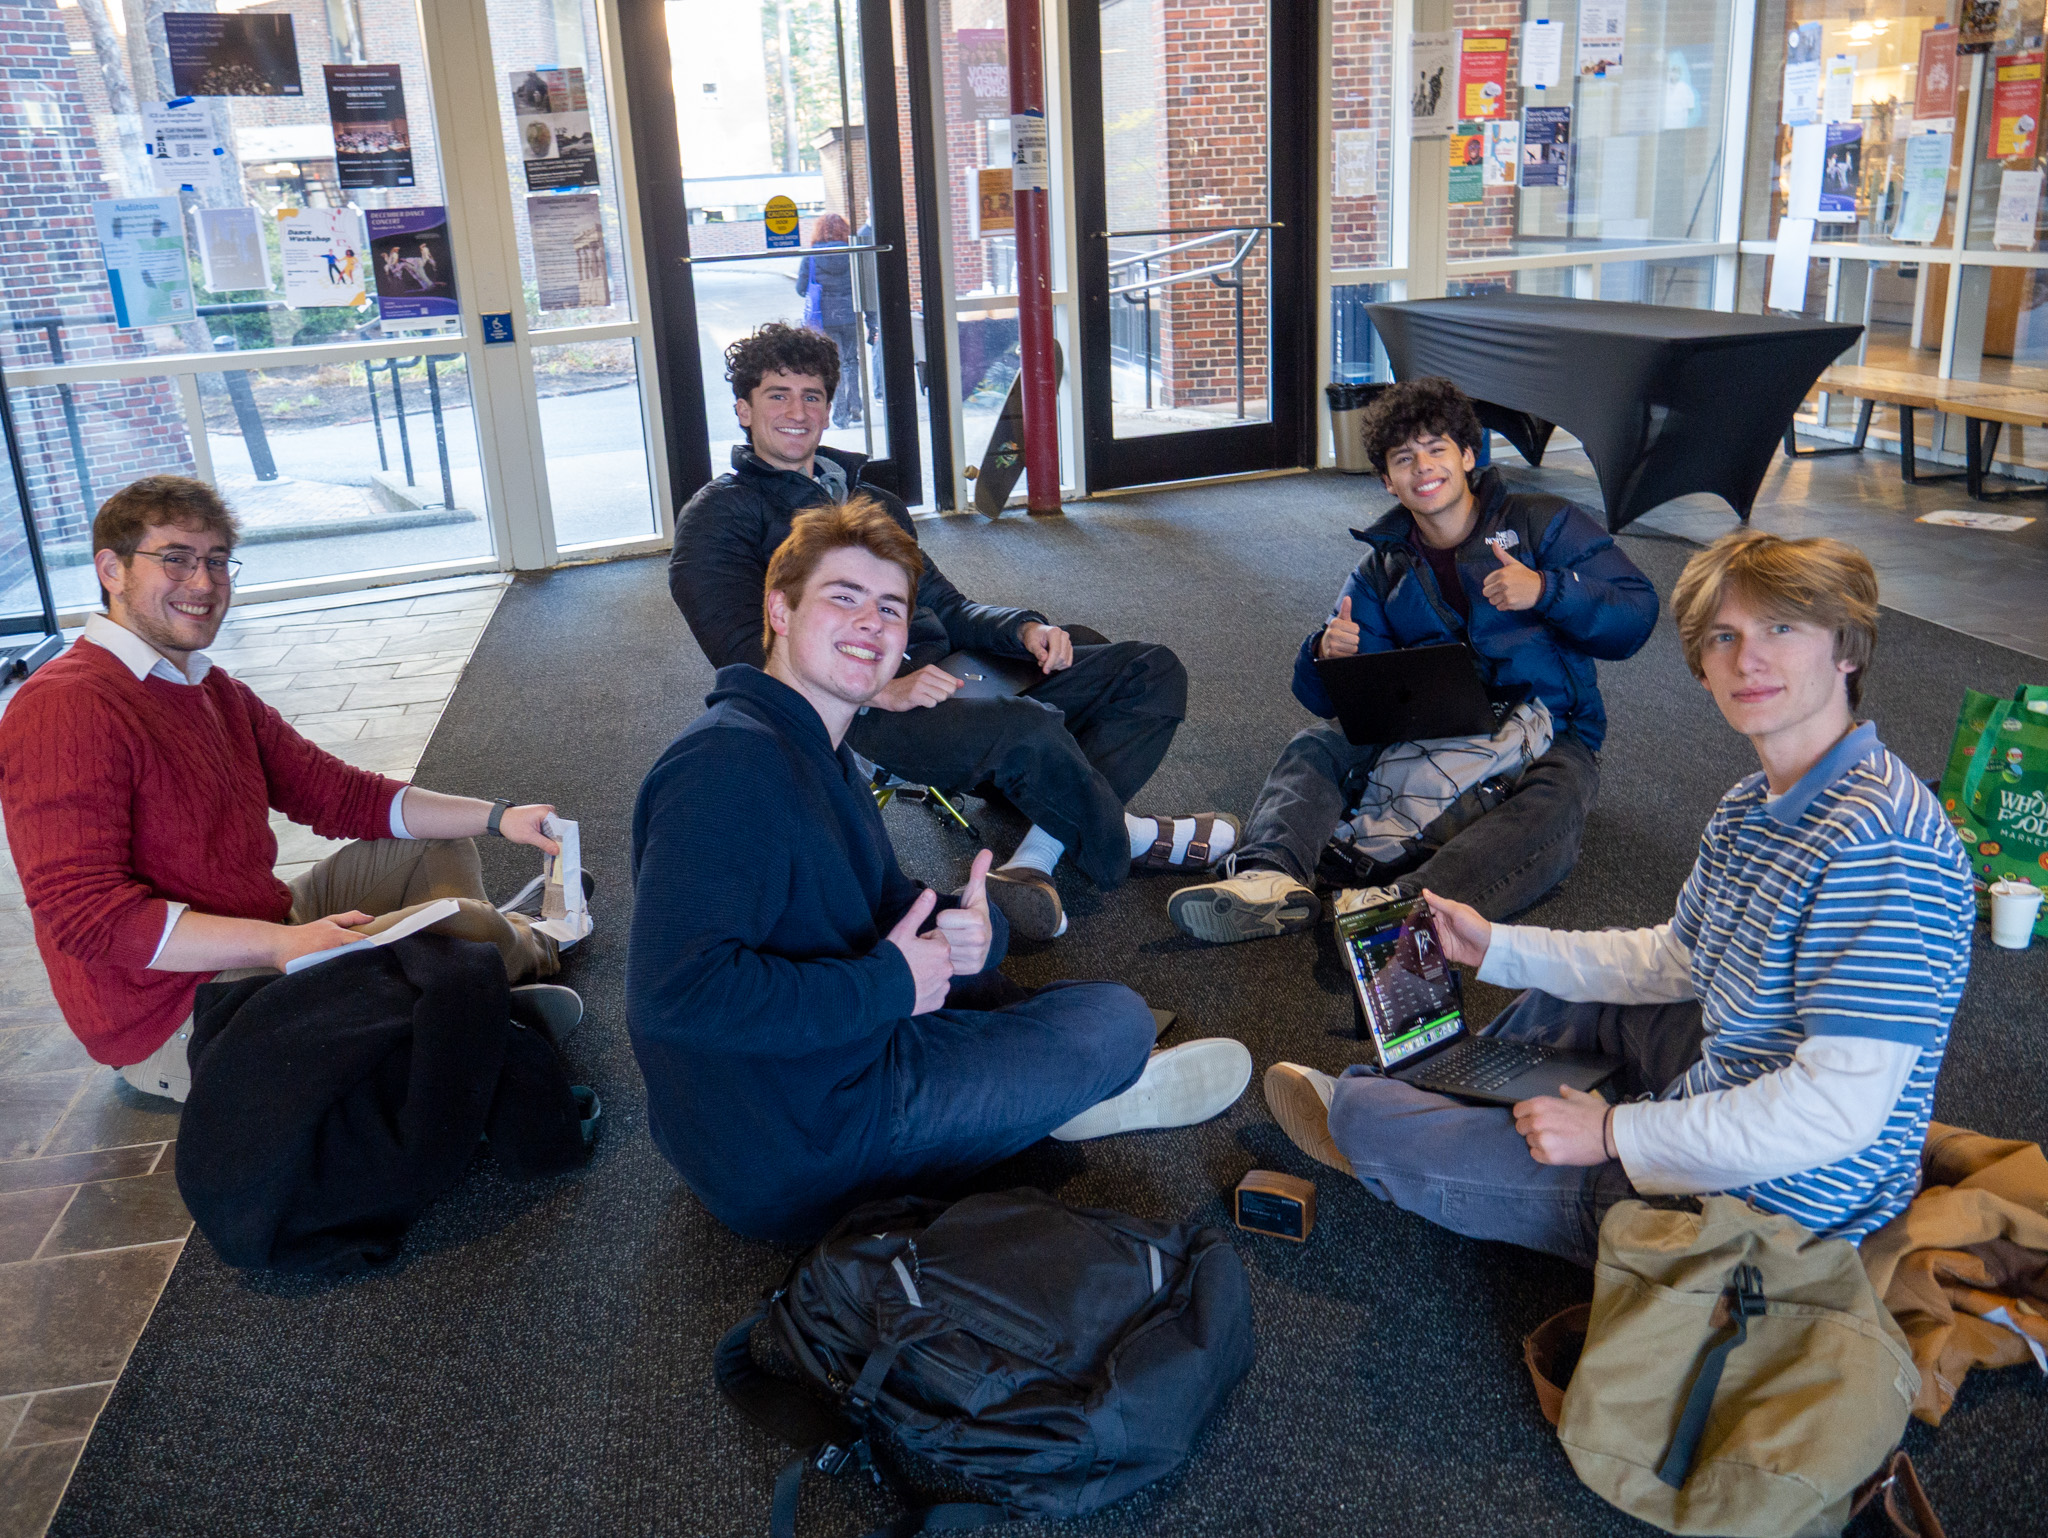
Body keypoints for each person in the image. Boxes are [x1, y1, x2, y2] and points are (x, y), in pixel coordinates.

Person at [1262, 530, 1976, 1264]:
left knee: (1366, 1114)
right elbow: (1676, 959)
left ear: (1846, 649)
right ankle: (1459, 1099)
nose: (1747, 659)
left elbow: (1835, 1112)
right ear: (1702, 669)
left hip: (1770, 1208)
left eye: (1782, 629)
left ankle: (1404, 1124)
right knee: (1577, 998)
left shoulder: (1879, 843)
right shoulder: (1752, 805)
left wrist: (1610, 1134)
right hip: (1731, 1086)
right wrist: (1497, 945)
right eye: (1724, 636)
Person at [630, 498, 1252, 1243]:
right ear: (780, 611)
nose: (872, 623)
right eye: (843, 598)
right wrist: (890, 984)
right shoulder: (724, 765)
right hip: (803, 1139)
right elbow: (675, 1001)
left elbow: (882, 905)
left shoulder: (811, 746)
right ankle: (1071, 1095)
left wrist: (967, 924)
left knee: (1017, 987)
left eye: (890, 608)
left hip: (810, 1083)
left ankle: (1041, 1088)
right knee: (1115, 1020)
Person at [0, 476, 584, 1104]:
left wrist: (499, 817)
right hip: (184, 1016)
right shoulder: (66, 707)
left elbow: (339, 794)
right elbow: (88, 919)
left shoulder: (210, 689)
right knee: (461, 922)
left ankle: (472, 984)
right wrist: (282, 943)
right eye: (176, 559)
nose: (204, 583)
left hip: (262, 930)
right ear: (111, 570)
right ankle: (523, 950)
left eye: (216, 561)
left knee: (437, 849)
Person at [671, 321, 1228, 943]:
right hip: (858, 704)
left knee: (1143, 668)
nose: (797, 412)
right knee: (1028, 727)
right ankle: (1126, 836)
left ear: (828, 409)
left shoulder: (871, 502)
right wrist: (879, 688)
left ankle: (1035, 857)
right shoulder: (717, 517)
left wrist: (1022, 629)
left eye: (812, 396)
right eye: (778, 395)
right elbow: (741, 651)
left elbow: (944, 603)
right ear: (744, 410)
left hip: (948, 669)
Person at [1168, 375, 1657, 943]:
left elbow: (1637, 613)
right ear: (1387, 480)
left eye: (1436, 449)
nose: (1423, 468)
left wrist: (1547, 590)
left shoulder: (1542, 521)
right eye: (1404, 458)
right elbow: (1338, 703)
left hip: (1553, 731)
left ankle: (1405, 908)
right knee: (1317, 745)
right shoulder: (1382, 567)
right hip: (1434, 722)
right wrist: (1326, 654)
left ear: (1468, 455)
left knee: (1556, 802)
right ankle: (1267, 876)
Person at [795, 213, 863, 429]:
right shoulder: (853, 252)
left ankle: (841, 414)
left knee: (837, 364)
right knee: (852, 361)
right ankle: (855, 405)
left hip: (825, 318)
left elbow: (800, 289)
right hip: (851, 314)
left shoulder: (812, 256)